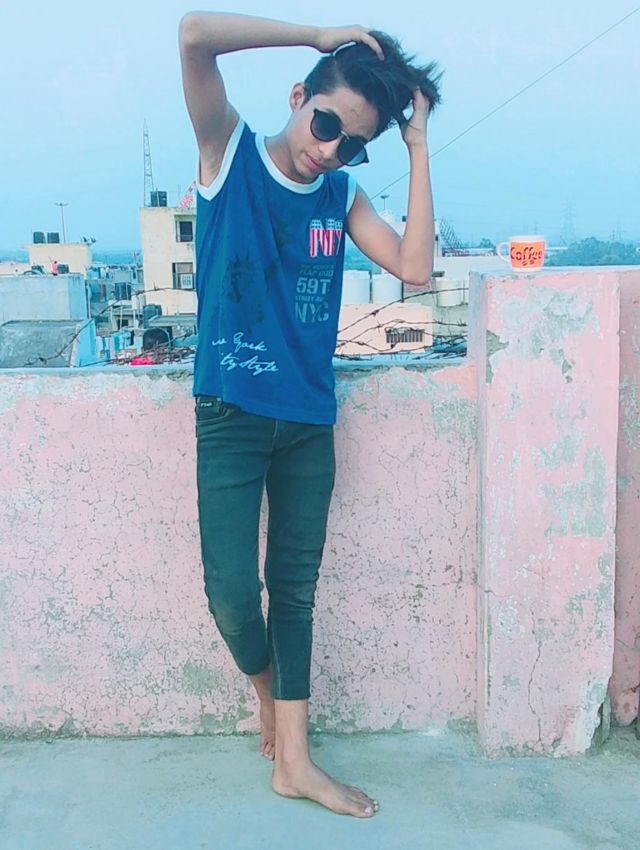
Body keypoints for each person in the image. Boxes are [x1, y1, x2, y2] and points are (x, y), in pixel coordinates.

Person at [179, 11, 441, 818]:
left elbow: (415, 269)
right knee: (231, 594)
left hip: (308, 422)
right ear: (300, 97)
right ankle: (266, 688)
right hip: (230, 413)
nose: (330, 150)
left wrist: (416, 147)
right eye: (326, 125)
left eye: (351, 144)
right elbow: (193, 34)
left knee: (293, 591)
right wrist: (316, 34)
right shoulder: (227, 153)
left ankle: (294, 762)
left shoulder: (341, 194)